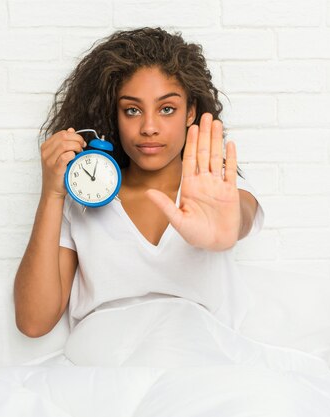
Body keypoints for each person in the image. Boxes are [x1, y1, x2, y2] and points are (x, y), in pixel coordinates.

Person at [14, 27, 265, 338]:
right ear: (114, 115)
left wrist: (226, 228)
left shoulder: (218, 187)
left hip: (199, 355)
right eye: (132, 110)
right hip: (102, 361)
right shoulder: (81, 199)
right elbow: (33, 322)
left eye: (167, 109)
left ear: (190, 113)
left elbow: (239, 215)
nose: (148, 127)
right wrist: (52, 193)